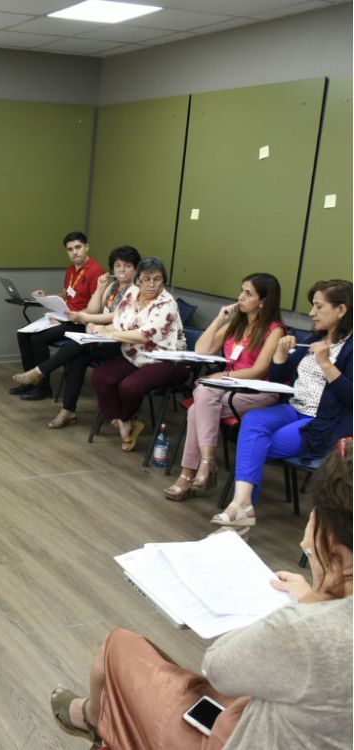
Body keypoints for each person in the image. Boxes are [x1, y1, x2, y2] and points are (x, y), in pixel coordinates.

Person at [50, 439, 352, 750]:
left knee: (117, 646)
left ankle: (93, 718)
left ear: (331, 542)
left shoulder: (304, 630)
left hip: (240, 735)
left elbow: (218, 669)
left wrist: (317, 594)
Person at [212, 279, 351, 528]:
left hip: (322, 422)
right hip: (293, 409)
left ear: (341, 310)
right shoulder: (315, 337)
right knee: (253, 420)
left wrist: (327, 364)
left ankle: (240, 514)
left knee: (255, 442)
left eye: (319, 307)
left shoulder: (350, 347)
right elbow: (279, 380)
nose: (311, 313)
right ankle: (242, 505)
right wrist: (280, 354)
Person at [164, 274, 285, 500]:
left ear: (264, 301)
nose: (240, 297)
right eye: (241, 291)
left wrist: (221, 376)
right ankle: (205, 464)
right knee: (199, 404)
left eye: (248, 294)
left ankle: (189, 474)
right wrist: (219, 319)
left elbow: (258, 370)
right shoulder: (236, 325)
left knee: (199, 402)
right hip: (226, 389)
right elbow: (201, 349)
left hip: (258, 391)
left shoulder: (274, 330)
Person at [13, 245, 140, 428]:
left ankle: (40, 371)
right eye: (118, 265)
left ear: (135, 268)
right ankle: (68, 410)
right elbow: (94, 309)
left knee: (78, 347)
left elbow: (117, 318)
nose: (121, 270)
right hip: (101, 337)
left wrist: (90, 321)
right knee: (77, 356)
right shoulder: (112, 286)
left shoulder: (135, 291)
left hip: (120, 342)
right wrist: (100, 289)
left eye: (127, 266)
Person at [90, 257, 187, 452]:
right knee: (100, 377)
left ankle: (125, 420)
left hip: (166, 360)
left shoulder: (166, 303)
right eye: (146, 279)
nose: (152, 284)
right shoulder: (132, 294)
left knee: (129, 387)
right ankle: (124, 420)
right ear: (138, 281)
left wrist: (110, 333)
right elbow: (118, 320)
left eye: (157, 279)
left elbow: (144, 335)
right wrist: (97, 326)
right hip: (135, 355)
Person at [12, 231, 106, 401]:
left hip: (79, 321)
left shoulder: (96, 271)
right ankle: (29, 383)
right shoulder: (71, 269)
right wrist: (45, 296)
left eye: (78, 247)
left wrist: (75, 316)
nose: (74, 252)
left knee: (38, 339)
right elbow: (66, 294)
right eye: (70, 249)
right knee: (23, 334)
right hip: (63, 315)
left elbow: (96, 307)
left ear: (87, 247)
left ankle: (42, 387)